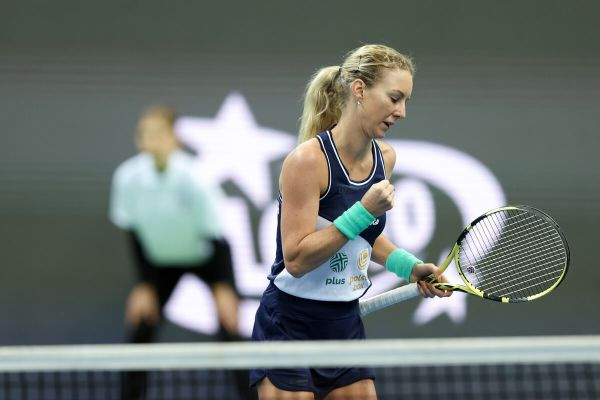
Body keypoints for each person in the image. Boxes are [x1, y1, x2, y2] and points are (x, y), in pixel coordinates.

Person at [250, 44, 453, 400]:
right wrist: (364, 211)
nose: (401, 112)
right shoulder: (307, 162)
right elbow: (296, 259)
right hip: (289, 325)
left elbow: (364, 238)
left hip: (344, 325)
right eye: (394, 98)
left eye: (405, 101)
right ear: (359, 89)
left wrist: (410, 267)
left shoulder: (385, 159)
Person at [109, 105, 253, 399]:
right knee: (140, 330)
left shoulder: (196, 178)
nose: (152, 139)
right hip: (159, 264)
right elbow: (134, 232)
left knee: (230, 331)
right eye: (145, 133)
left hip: (206, 259)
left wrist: (224, 286)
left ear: (175, 138)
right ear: (138, 139)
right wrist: (144, 284)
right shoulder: (127, 177)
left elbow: (217, 236)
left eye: (160, 133)